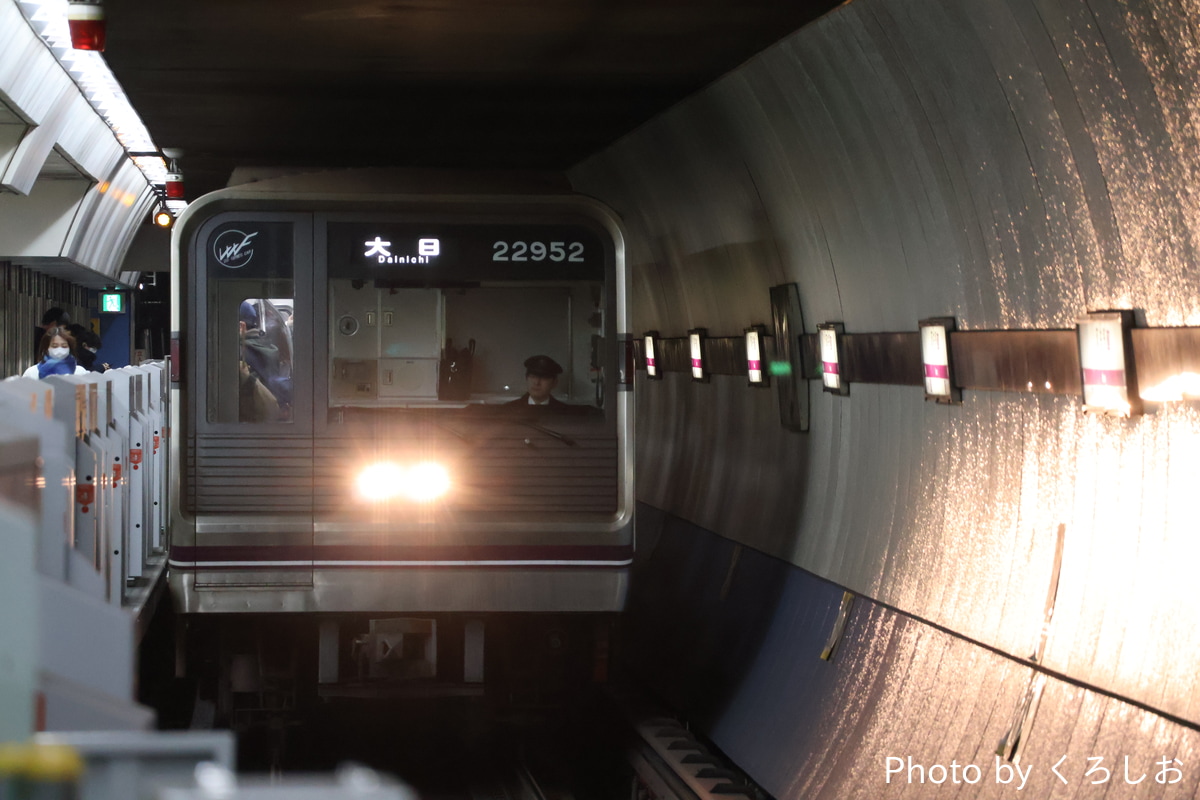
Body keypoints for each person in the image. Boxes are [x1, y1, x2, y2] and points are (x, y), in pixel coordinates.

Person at [505, 355, 572, 409]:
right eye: (533, 377)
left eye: (544, 378)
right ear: (526, 379)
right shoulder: (508, 409)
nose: (537, 383)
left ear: (554, 383)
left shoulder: (565, 412)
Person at [23, 326, 89, 379]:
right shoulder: (32, 373)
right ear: (46, 348)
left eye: (64, 346)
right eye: (54, 346)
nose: (59, 349)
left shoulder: (80, 372)